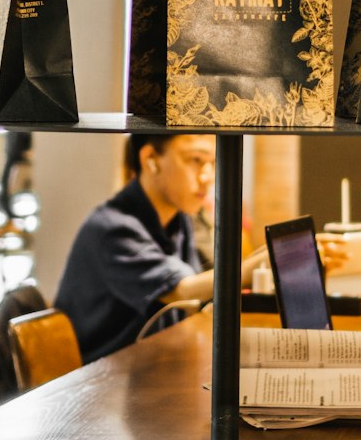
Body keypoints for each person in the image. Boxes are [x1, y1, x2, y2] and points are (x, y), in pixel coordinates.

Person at [55, 133, 266, 362]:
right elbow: (182, 290)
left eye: (213, 163)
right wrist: (248, 271)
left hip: (152, 367)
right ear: (151, 159)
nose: (208, 177)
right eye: (195, 160)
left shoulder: (179, 220)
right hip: (99, 382)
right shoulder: (111, 228)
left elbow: (194, 303)